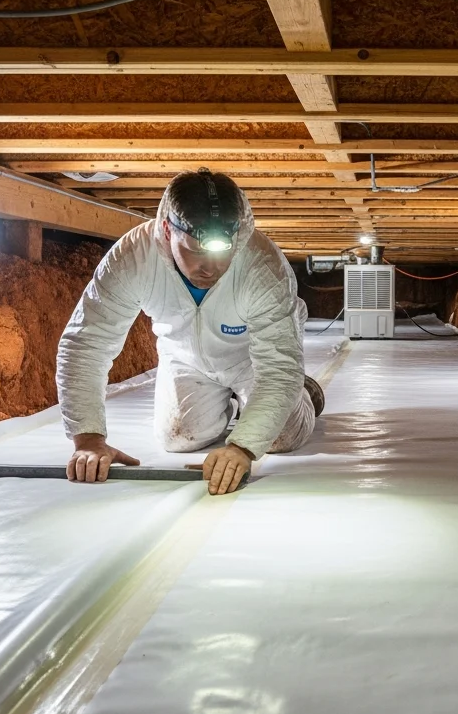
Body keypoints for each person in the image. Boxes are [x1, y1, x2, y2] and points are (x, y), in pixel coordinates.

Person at [56, 168, 324, 494]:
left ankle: (306, 393)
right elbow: (87, 342)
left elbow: (279, 367)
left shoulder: (261, 265)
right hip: (185, 357)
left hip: (251, 358)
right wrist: (88, 437)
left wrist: (242, 448)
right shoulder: (134, 258)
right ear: (168, 230)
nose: (210, 268)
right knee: (177, 438)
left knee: (280, 438)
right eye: (196, 251)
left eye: (221, 253)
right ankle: (235, 405)